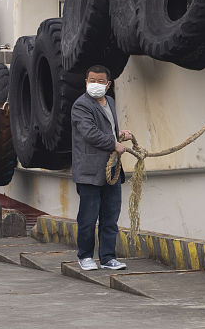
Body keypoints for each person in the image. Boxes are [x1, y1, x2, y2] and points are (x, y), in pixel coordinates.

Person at [70, 65, 133, 272]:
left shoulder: (110, 102)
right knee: (88, 217)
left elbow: (106, 128)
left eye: (100, 81)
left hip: (111, 170)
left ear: (108, 84)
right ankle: (85, 256)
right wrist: (114, 144)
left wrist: (119, 134)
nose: (95, 85)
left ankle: (107, 257)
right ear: (85, 81)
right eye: (91, 80)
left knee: (110, 217)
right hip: (89, 172)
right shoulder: (81, 106)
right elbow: (89, 133)